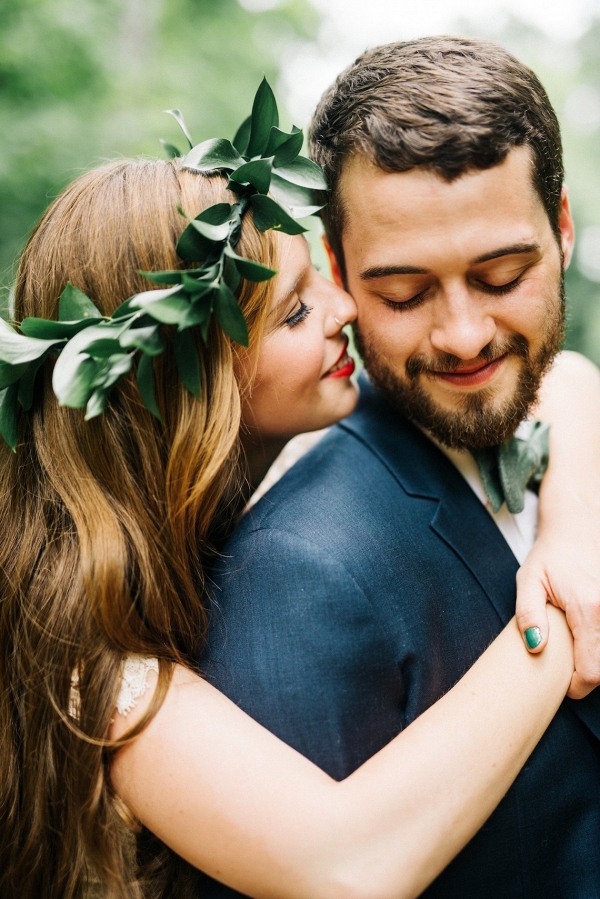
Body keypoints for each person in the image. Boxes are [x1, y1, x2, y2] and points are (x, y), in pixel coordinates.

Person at [0, 98, 593, 899]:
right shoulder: (88, 654)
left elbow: (565, 377)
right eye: (298, 308)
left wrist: (575, 515)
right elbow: (346, 866)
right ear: (195, 379)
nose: (346, 312)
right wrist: (561, 614)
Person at [200, 37, 600, 899]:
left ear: (562, 230)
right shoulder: (293, 568)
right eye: (405, 293)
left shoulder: (577, 429)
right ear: (339, 273)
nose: (462, 334)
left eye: (502, 274)